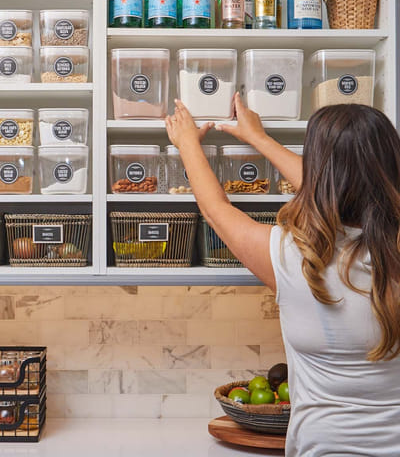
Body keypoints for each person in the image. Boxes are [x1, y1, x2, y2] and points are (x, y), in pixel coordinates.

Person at [165, 94, 400, 457]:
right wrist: (258, 138)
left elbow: (216, 210)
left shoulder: (295, 257)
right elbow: (345, 186)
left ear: (317, 171)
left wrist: (187, 143)